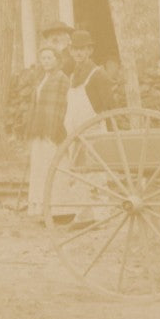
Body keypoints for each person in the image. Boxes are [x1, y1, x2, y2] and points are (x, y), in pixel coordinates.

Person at [25, 45, 72, 222]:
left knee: (56, 169)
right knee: (41, 169)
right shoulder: (41, 79)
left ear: (57, 60)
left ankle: (62, 211)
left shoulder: (62, 79)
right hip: (40, 130)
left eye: (49, 58)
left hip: (54, 131)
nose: (46, 61)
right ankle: (45, 210)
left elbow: (63, 105)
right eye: (43, 58)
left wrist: (56, 127)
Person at [66, 29, 113, 133]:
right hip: (74, 133)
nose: (78, 53)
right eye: (75, 49)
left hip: (94, 132)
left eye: (82, 49)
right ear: (71, 51)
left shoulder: (98, 74)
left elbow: (109, 108)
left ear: (89, 50)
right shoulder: (72, 76)